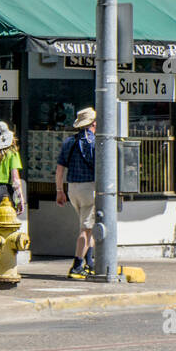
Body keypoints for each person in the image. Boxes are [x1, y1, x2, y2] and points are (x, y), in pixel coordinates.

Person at [55, 107, 97, 280]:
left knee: (89, 225)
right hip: (90, 188)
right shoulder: (95, 142)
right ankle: (77, 264)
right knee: (85, 229)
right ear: (94, 123)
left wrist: (59, 190)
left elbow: (59, 170)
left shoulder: (69, 142)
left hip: (73, 188)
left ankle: (90, 263)